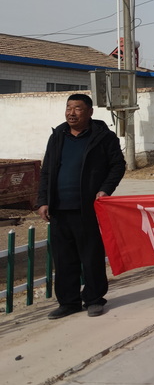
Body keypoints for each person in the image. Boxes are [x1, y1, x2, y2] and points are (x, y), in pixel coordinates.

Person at [38, 93, 125, 319]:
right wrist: (43, 201)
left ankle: (94, 299)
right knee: (63, 259)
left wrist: (105, 189)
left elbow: (117, 165)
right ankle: (69, 302)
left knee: (91, 256)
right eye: (68, 108)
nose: (71, 113)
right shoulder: (58, 136)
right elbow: (46, 170)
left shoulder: (103, 137)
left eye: (77, 108)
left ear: (90, 112)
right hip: (59, 209)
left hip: (87, 208)